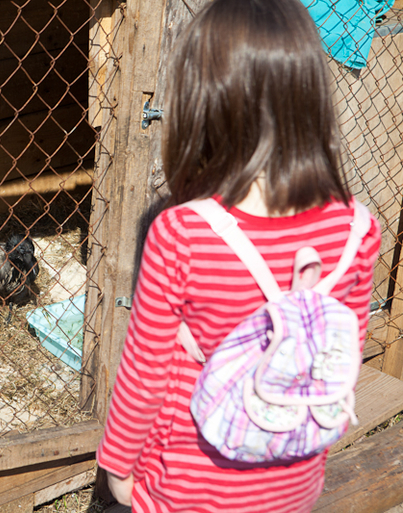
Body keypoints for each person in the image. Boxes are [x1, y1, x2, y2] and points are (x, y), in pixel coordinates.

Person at [95, 0, 382, 511]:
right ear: (311, 95)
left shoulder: (183, 232)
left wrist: (117, 466)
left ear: (201, 104)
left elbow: (144, 372)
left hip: (187, 482)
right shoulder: (357, 228)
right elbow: (341, 356)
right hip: (291, 475)